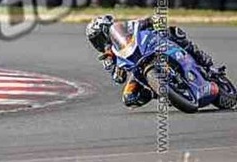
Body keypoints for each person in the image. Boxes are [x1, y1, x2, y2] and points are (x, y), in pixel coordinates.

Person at [86, 14, 215, 108]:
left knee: (174, 32)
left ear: (105, 30)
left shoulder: (125, 28)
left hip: (151, 47)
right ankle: (163, 92)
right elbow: (118, 79)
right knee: (129, 98)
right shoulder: (107, 57)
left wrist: (152, 20)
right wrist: (115, 69)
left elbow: (142, 22)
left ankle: (203, 60)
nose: (98, 43)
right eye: (94, 41)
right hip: (137, 69)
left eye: (98, 38)